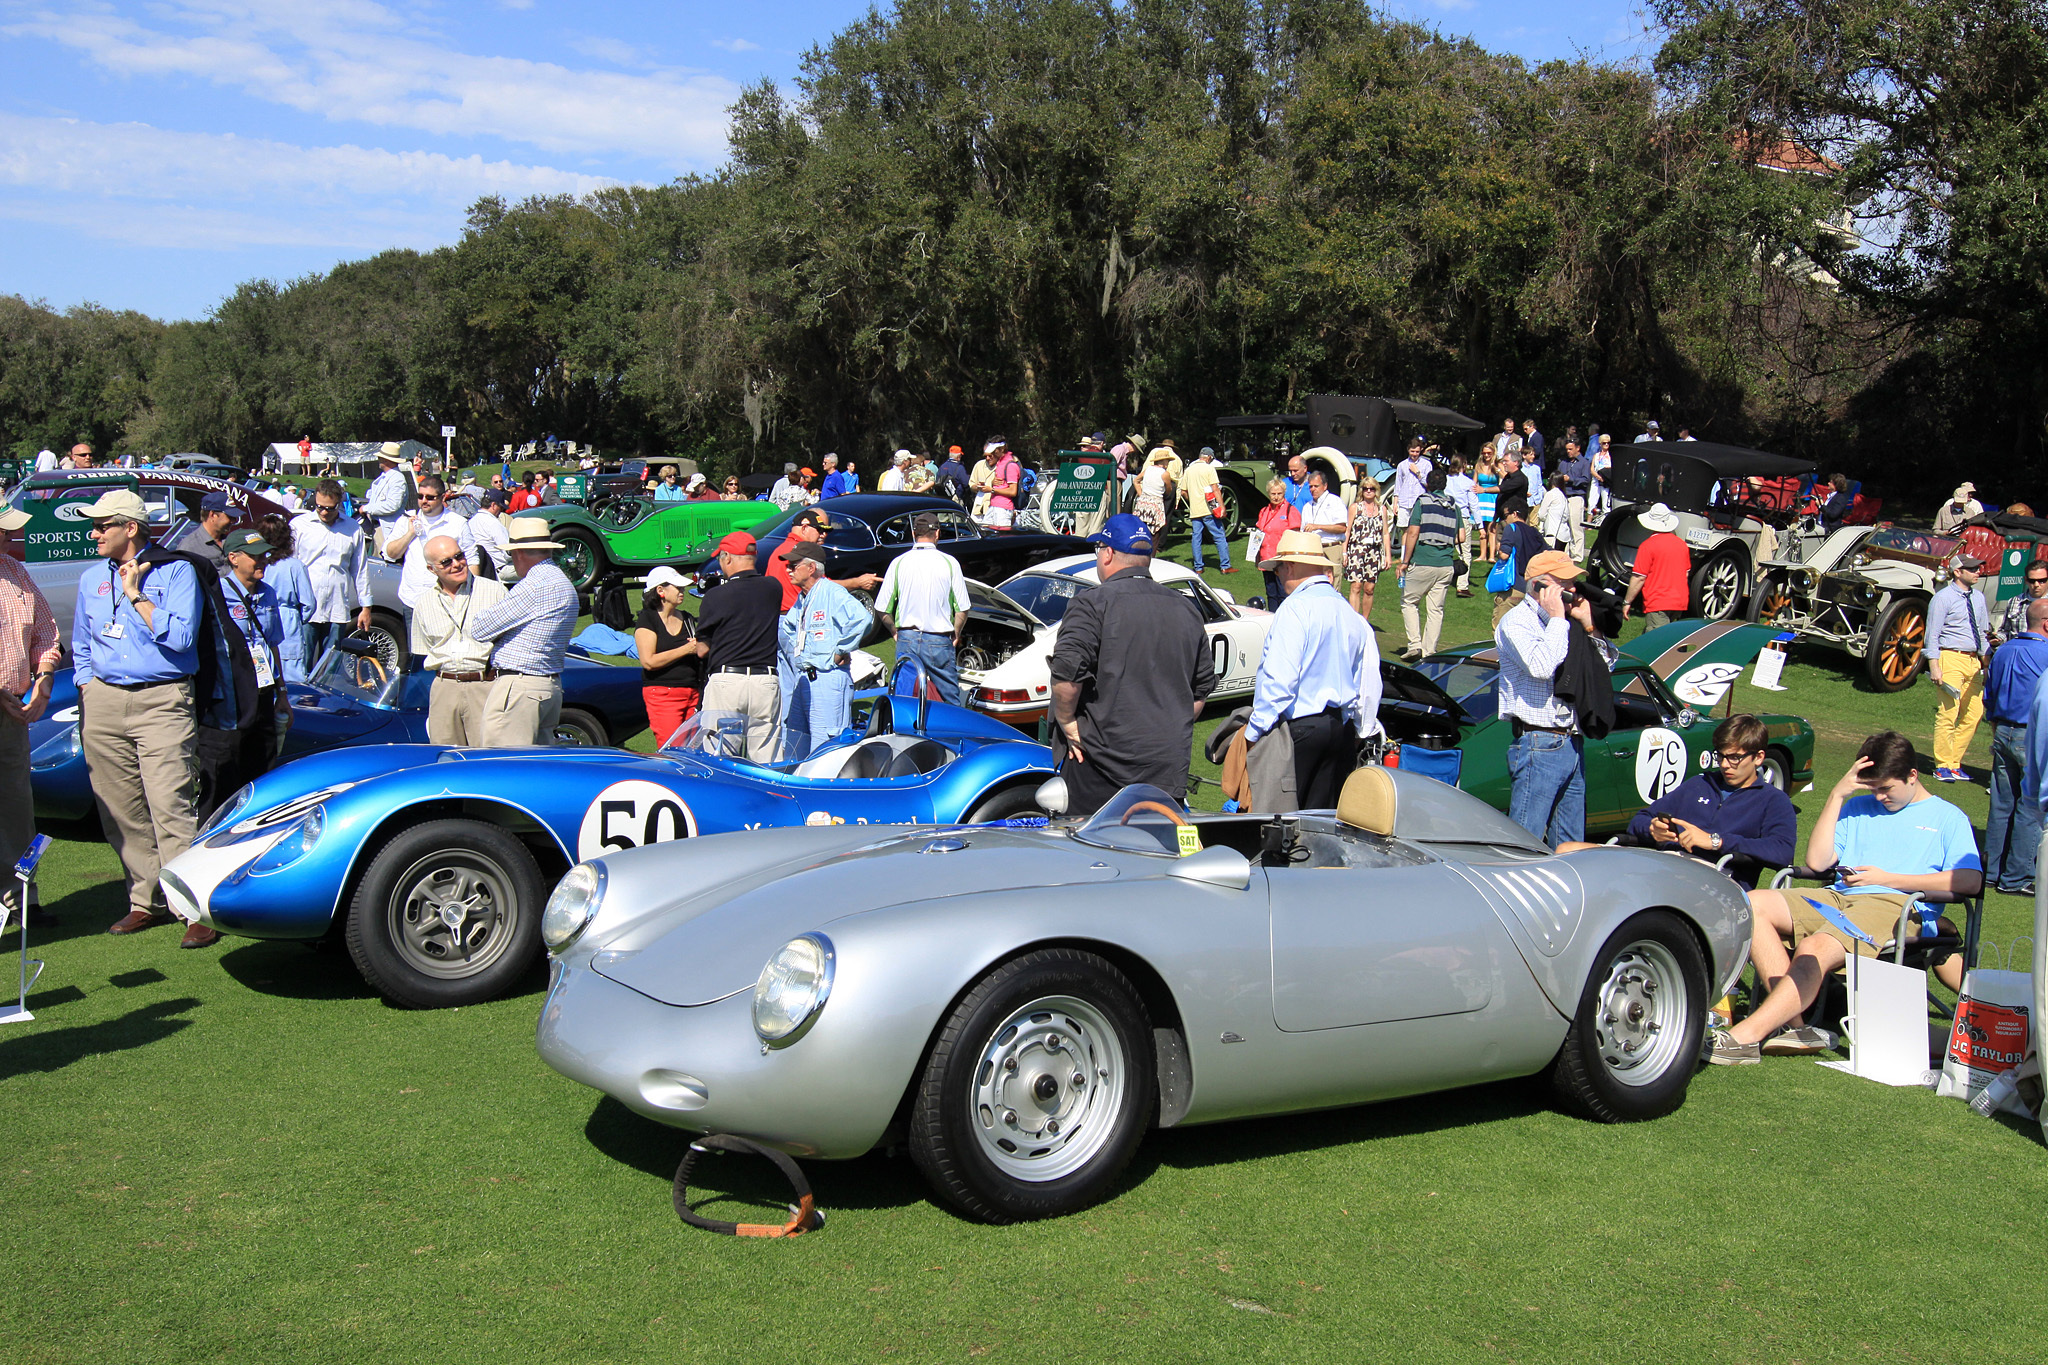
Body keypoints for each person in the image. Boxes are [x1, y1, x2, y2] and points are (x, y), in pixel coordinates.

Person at [1709, 733, 1981, 1063]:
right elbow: (1818, 862)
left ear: (1913, 775)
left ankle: (1744, 1036)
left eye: (1887, 788)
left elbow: (1970, 880)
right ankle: (1797, 1027)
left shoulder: (1947, 817)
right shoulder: (1857, 806)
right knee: (1752, 904)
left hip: (1897, 905)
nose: (1880, 796)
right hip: (1838, 896)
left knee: (1816, 946)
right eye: (1874, 788)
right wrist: (1837, 795)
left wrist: (1888, 879)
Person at [69, 490, 211, 946]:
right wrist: (88, 684)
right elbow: (83, 643)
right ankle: (142, 901)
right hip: (105, 700)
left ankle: (192, 908)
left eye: (101, 525)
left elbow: (183, 638)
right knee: (121, 809)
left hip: (162, 699)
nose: (92, 534)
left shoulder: (176, 571)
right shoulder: (91, 577)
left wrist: (135, 596)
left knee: (170, 803)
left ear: (130, 528)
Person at [1048, 514, 1215, 815]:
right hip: (1165, 768)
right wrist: (1167, 725)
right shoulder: (1185, 608)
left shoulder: (1092, 603)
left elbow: (1067, 673)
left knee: (1095, 855)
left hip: (1098, 765)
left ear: (1108, 553)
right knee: (1158, 852)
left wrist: (1067, 721)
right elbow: (1201, 691)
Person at [1560, 714, 1796, 886]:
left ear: (1758, 758)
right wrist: (1653, 830)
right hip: (1663, 861)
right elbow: (1641, 819)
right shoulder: (1701, 783)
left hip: (1712, 877)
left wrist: (1716, 841)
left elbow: (1782, 852)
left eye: (1734, 758)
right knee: (1567, 850)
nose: (1725, 765)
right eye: (1721, 756)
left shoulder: (1773, 800)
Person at [1245, 530, 1383, 808]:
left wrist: (1254, 732)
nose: (1278, 576)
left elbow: (1279, 680)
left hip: (1300, 731)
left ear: (1291, 566)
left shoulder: (1294, 609)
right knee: (1324, 823)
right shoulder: (1349, 613)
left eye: (1280, 568)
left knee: (1284, 822)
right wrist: (1359, 729)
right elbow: (1368, 684)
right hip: (1338, 730)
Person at [1495, 550, 1616, 845]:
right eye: (1566, 582)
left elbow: (1607, 665)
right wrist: (1559, 620)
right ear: (1539, 586)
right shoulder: (1517, 623)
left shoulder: (1567, 622)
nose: (1574, 590)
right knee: (1525, 839)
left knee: (1570, 843)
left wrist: (1589, 625)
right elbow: (1541, 666)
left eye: (1574, 582)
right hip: (1539, 741)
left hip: (1571, 741)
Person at [0, 503, 62, 928]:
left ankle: (22, 900)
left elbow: (46, 633)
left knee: (16, 807)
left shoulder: (15, 571)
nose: (10, 538)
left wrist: (44, 676)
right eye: (3, 531)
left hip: (12, 713)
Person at [468, 518, 579, 748]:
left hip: (520, 687)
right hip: (548, 685)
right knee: (535, 765)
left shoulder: (534, 586)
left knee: (504, 765)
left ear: (518, 553)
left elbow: (480, 629)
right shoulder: (563, 583)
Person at [204, 529, 288, 814]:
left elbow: (273, 643)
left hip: (264, 691)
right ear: (233, 558)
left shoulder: (268, 593)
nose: (262, 561)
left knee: (262, 766)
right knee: (227, 770)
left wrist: (282, 692)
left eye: (264, 554)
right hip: (233, 695)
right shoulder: (217, 593)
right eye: (254, 556)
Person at [409, 533, 509, 746]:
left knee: (488, 759)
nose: (457, 564)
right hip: (444, 686)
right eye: (446, 562)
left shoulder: (495, 591)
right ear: (431, 569)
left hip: (486, 684)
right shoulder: (424, 603)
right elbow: (422, 652)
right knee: (446, 760)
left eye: (459, 556)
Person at [778, 543, 874, 761]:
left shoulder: (832, 592)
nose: (788, 570)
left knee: (824, 749)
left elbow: (862, 619)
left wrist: (840, 650)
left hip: (827, 678)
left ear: (811, 568)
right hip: (804, 678)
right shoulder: (803, 597)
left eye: (794, 565)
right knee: (795, 743)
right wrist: (800, 651)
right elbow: (789, 626)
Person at [695, 532, 785, 760]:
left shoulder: (715, 596)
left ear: (727, 559)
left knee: (720, 756)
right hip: (765, 682)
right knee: (767, 759)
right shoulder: (773, 588)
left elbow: (702, 649)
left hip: (728, 682)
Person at [1983, 597, 2048, 894]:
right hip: (2028, 734)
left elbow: (1989, 692)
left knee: (2001, 804)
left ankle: (1992, 871)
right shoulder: (2045, 654)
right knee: (2030, 805)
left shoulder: (2003, 650)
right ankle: (2017, 877)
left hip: (2002, 731)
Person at [874, 512, 970, 706]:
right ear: (937, 534)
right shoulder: (949, 563)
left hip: (907, 637)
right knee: (949, 699)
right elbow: (962, 609)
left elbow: (881, 608)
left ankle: (903, 734)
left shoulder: (899, 562)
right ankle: (948, 735)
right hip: (938, 638)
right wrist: (956, 632)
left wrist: (894, 631)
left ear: (913, 533)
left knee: (903, 697)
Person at [1926, 550, 1991, 782]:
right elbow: (1931, 635)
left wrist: (1986, 661)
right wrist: (1934, 665)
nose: (1978, 572)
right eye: (1972, 569)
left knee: (1974, 713)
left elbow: (1983, 632)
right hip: (1950, 657)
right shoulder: (1942, 598)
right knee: (1948, 713)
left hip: (1974, 660)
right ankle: (1943, 764)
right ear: (1957, 572)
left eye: (1977, 568)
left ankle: (1954, 762)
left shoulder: (1979, 597)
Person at [290, 480, 373, 660]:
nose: (324, 512)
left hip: (336, 607)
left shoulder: (352, 528)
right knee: (302, 662)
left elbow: (359, 569)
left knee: (331, 665)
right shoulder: (299, 526)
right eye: (320, 507)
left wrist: (366, 607)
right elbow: (290, 567)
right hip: (306, 608)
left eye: (330, 508)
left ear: (340, 502)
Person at [380, 474, 478, 610]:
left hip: (447, 601)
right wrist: (410, 534)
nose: (424, 501)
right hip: (413, 600)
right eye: (420, 496)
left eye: (430, 497)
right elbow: (390, 554)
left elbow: (472, 560)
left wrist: (470, 595)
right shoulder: (406, 520)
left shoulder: (457, 523)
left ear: (443, 497)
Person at [1399, 469, 1466, 661]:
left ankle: (1415, 645)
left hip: (1422, 560)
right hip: (1445, 564)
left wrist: (1405, 562)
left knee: (1410, 602)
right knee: (1436, 610)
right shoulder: (1454, 506)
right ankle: (1430, 651)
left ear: (1427, 484)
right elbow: (1461, 536)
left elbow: (1412, 533)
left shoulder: (1422, 502)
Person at [634, 565, 705, 747]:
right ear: (660, 591)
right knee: (671, 750)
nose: (682, 592)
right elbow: (648, 661)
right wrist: (686, 649)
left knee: (694, 750)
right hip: (663, 695)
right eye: (678, 588)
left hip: (693, 693)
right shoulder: (647, 619)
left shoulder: (688, 618)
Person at [252, 513, 315, 683]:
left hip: (262, 617)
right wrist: (296, 617)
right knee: (292, 676)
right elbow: (308, 604)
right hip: (288, 622)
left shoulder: (255, 565)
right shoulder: (295, 566)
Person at [1619, 502, 1691, 629]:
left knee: (1657, 642)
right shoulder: (1682, 545)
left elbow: (1639, 577)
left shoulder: (1648, 546)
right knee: (1673, 639)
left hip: (1658, 601)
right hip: (1679, 601)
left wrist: (1627, 602)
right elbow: (1685, 574)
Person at [1490, 503, 1548, 627]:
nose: (1505, 519)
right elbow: (1548, 551)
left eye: (1506, 515)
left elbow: (1505, 555)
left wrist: (1499, 550)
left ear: (1515, 514)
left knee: (1500, 628)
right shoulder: (1534, 531)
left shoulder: (1511, 528)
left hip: (1513, 587)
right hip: (1530, 589)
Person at [1341, 479, 1390, 618]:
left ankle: (1365, 621)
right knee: (1356, 586)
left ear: (1376, 491)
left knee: (1369, 588)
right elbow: (1347, 531)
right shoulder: (1355, 508)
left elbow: (1385, 533)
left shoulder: (1382, 509)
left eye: (1372, 489)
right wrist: (1344, 552)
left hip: (1374, 551)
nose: (1368, 491)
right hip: (1357, 549)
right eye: (1366, 488)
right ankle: (1354, 619)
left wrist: (1388, 556)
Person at [1181, 447, 1231, 574]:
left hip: (1195, 510)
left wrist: (1193, 500)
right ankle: (1225, 565)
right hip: (1209, 509)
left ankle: (1198, 567)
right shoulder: (1209, 469)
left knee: (1196, 538)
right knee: (1219, 536)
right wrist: (1222, 506)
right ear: (1209, 457)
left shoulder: (1189, 470)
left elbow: (1183, 491)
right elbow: (1215, 489)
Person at [1250, 478, 1300, 607]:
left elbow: (1295, 535)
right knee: (1271, 592)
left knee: (1283, 593)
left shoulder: (1291, 511)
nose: (1276, 497)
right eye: (1273, 494)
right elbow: (1258, 535)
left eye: (1279, 493)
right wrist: (1256, 557)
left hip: (1282, 559)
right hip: (1266, 559)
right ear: (1268, 494)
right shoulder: (1264, 512)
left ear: (1284, 493)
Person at [169, 490, 237, 577]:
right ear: (212, 515)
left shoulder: (231, 541)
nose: (234, 521)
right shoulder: (189, 547)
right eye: (230, 517)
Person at [1300, 469, 1348, 581]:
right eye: (1310, 486)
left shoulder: (1335, 501)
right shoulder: (1307, 506)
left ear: (1325, 486)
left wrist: (1318, 526)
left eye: (1316, 486)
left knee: (1333, 582)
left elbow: (1342, 528)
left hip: (1331, 547)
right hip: (1314, 549)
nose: (1313, 489)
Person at [360, 442, 411, 543]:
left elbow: (392, 505)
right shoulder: (386, 476)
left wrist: (366, 508)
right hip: (379, 526)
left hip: (389, 529)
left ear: (386, 460)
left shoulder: (397, 479)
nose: (379, 460)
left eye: (381, 458)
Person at [1556, 440, 1592, 559]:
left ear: (1578, 448)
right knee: (1564, 527)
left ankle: (1577, 555)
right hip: (1564, 497)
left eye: (1570, 449)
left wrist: (1570, 479)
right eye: (1567, 449)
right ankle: (1565, 553)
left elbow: (1586, 480)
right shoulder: (1563, 462)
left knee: (1576, 527)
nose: (1568, 452)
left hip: (1576, 497)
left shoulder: (1584, 463)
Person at [1998, 559, 2048, 640]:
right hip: (2019, 649)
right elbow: (2005, 632)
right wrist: (1997, 640)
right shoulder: (2014, 602)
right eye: (2032, 581)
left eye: (2041, 581)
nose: (2036, 585)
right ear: (2025, 580)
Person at [1391, 438, 1431, 535]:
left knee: (1417, 530)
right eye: (1412, 451)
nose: (1414, 454)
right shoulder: (1402, 465)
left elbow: (1429, 484)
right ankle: (1404, 550)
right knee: (1405, 530)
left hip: (1419, 502)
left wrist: (1418, 473)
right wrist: (1395, 504)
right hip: (1404, 502)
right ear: (1408, 450)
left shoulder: (1426, 464)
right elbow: (1398, 486)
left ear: (1420, 450)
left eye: (1417, 451)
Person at [984, 439, 1022, 529]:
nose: (991, 453)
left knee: (1002, 537)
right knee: (984, 533)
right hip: (994, 506)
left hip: (1003, 509)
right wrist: (993, 483)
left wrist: (992, 490)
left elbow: (1013, 491)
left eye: (994, 450)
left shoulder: (1010, 465)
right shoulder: (1000, 463)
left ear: (1002, 449)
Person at [1535, 472, 1570, 550]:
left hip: (1552, 533)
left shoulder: (1550, 494)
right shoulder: (1563, 496)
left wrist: (1544, 520)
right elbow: (1566, 516)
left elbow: (1541, 514)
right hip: (1564, 534)